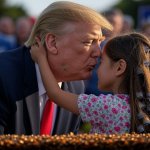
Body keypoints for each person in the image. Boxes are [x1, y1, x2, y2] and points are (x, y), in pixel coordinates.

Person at [0, 1, 112, 134]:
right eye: (88, 42)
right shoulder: (3, 74)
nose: (98, 53)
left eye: (99, 42)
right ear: (52, 43)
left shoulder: (76, 86)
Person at [31, 32, 150, 134]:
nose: (96, 68)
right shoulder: (142, 107)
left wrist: (41, 58)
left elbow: (55, 94)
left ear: (120, 67)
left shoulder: (107, 106)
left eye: (102, 61)